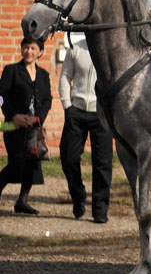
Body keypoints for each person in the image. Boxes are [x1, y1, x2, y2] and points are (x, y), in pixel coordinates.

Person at [58, 34, 112, 223]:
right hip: (77, 112)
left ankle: (100, 209)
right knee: (68, 158)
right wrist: (67, 106)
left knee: (102, 163)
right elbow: (65, 76)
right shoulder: (76, 48)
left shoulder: (108, 48)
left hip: (101, 114)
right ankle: (78, 196)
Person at [0, 37, 52, 215]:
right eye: (25, 48)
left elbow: (47, 100)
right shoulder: (11, 71)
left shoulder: (44, 75)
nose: (28, 51)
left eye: (32, 48)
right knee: (17, 162)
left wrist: (38, 118)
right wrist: (13, 116)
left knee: (32, 164)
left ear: (40, 52)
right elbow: (1, 96)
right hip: (14, 127)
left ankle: (22, 201)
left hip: (34, 128)